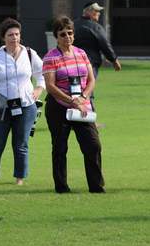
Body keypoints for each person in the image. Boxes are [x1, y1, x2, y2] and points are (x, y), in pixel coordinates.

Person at [43, 16, 105, 194]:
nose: (67, 37)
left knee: (93, 145)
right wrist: (71, 100)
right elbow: (50, 86)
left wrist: (83, 97)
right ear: (56, 36)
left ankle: (96, 186)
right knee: (60, 147)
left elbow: (91, 79)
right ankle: (62, 187)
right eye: (62, 34)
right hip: (59, 107)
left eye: (70, 33)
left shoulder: (81, 53)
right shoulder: (50, 57)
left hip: (82, 107)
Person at [0, 18, 46, 185]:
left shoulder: (30, 54)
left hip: (26, 106)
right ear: (3, 37)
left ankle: (20, 178)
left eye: (17, 34)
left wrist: (38, 89)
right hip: (1, 107)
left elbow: (42, 74)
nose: (14, 38)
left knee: (21, 144)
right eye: (10, 35)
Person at [73, 2, 121, 79]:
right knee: (88, 88)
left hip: (71, 63)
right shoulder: (96, 27)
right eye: (96, 11)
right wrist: (114, 60)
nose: (99, 13)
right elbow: (105, 44)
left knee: (74, 87)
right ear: (88, 12)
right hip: (90, 63)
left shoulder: (72, 25)